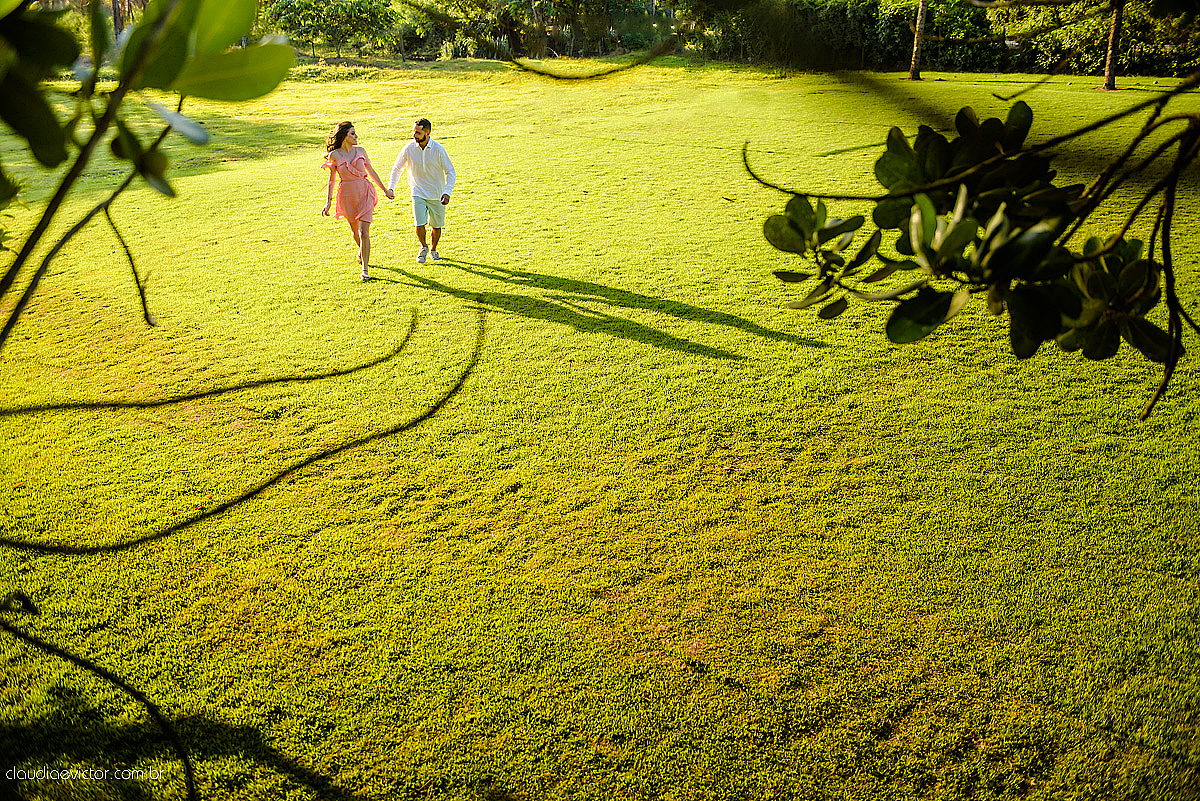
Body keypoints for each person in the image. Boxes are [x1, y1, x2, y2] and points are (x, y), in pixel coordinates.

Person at [321, 121, 394, 281]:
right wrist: (328, 202)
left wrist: (385, 190)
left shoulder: (361, 151)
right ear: (344, 137)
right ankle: (361, 251)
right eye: (352, 134)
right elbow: (332, 179)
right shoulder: (335, 155)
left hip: (365, 192)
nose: (356, 136)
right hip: (347, 195)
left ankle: (365, 270)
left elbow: (372, 171)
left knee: (363, 232)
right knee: (355, 232)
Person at [388, 118, 455, 263]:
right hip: (417, 192)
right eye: (414, 132)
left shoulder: (438, 149)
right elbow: (397, 168)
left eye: (418, 132)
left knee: (436, 226)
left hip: (437, 194)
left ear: (427, 132)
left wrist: (447, 192)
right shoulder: (409, 148)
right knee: (419, 223)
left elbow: (450, 171)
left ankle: (433, 249)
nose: (414, 135)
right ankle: (423, 247)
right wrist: (391, 187)